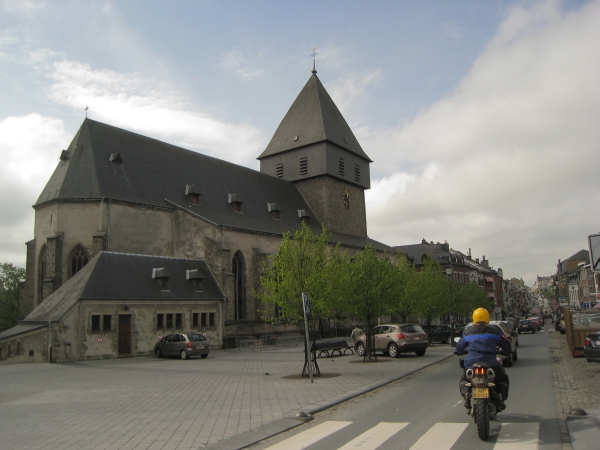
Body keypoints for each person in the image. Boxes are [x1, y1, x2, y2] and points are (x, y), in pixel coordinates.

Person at [455, 308, 511, 412]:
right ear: (487, 318)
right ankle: (499, 397)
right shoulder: (494, 331)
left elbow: (459, 347)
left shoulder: (467, 332)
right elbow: (505, 345)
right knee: (502, 378)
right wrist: (507, 350)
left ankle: (467, 395)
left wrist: (459, 351)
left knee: (464, 380)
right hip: (491, 363)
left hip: (471, 364)